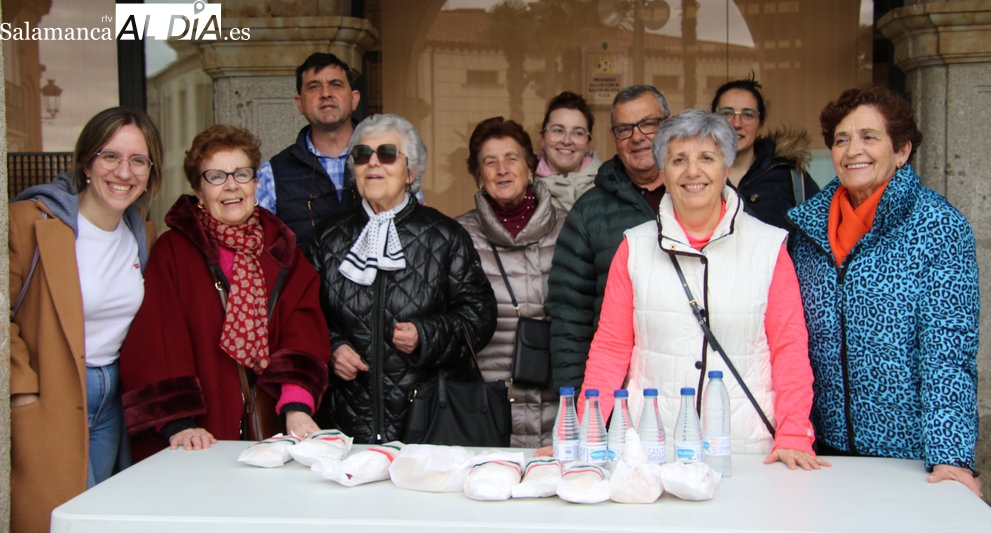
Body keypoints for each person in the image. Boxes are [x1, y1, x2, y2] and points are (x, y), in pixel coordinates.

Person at [578, 109, 828, 470]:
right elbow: (610, 349)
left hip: (746, 450)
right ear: (663, 171)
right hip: (650, 448)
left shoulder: (768, 247)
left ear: (726, 167)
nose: (692, 171)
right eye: (678, 159)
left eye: (707, 158)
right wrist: (588, 432)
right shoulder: (634, 248)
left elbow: (788, 348)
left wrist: (793, 434)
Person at [787, 85, 981, 496]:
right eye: (841, 139)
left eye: (869, 137)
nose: (853, 149)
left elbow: (948, 352)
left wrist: (950, 455)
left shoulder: (938, 227)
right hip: (821, 452)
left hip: (907, 457)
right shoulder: (808, 230)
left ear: (902, 150)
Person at [120, 125, 331, 461]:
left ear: (255, 183)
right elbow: (158, 341)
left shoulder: (283, 250)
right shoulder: (174, 251)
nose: (232, 185)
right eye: (216, 176)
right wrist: (179, 423)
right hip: (198, 437)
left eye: (242, 174)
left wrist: (296, 406)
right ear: (198, 190)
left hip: (273, 434)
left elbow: (303, 332)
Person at [9, 106, 163, 532]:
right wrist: (21, 391)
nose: (124, 171)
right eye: (110, 156)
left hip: (111, 395)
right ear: (86, 162)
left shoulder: (140, 234)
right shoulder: (30, 222)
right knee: (59, 519)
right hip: (52, 393)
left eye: (138, 160)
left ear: (150, 173)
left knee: (100, 516)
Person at [309, 114, 497, 444]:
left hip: (428, 423)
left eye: (386, 153)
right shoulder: (328, 238)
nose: (372, 163)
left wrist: (426, 335)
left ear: (411, 172)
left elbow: (479, 316)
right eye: (362, 155)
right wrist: (332, 347)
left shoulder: (445, 236)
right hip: (344, 423)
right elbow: (303, 317)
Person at [547, 85, 670, 391]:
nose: (637, 136)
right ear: (614, 138)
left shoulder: (700, 198)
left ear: (668, 126)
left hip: (692, 384)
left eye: (648, 124)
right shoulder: (589, 212)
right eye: (624, 129)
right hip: (615, 392)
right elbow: (569, 320)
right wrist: (577, 404)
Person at [455, 116, 567, 447]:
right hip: (486, 408)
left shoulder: (569, 229)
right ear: (479, 176)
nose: (502, 169)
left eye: (512, 158)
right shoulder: (459, 236)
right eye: (490, 162)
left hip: (555, 410)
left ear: (531, 168)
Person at [255, 52, 360, 252]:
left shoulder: (386, 159)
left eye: (335, 85)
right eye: (314, 87)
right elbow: (263, 252)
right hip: (310, 283)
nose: (326, 93)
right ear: (300, 103)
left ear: (354, 99)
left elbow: (417, 230)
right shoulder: (272, 175)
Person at [710, 76, 820, 230]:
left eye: (747, 114)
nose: (736, 123)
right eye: (727, 113)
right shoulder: (697, 175)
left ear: (760, 126)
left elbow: (816, 234)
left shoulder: (789, 176)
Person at [535, 91, 602, 211]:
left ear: (588, 143)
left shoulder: (606, 186)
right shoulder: (522, 187)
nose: (566, 141)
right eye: (558, 130)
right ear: (542, 138)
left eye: (578, 133)